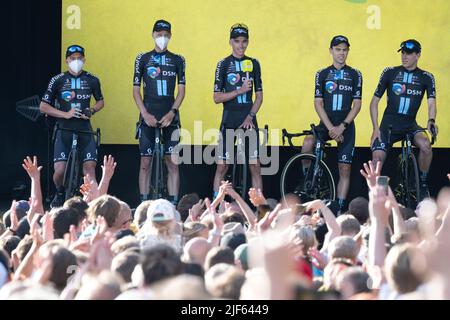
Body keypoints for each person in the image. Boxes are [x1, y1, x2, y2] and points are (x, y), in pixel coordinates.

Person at [370, 39, 437, 198]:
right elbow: (374, 103)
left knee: (426, 146)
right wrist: (375, 128)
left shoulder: (426, 77)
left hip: (410, 125)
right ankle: (380, 194)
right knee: (377, 161)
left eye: (409, 53)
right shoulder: (390, 72)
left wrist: (431, 120)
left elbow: (431, 104)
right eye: (403, 53)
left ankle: (421, 182)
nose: (404, 56)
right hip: (388, 126)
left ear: (418, 55)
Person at [302, 35, 362, 212]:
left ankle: (339, 207)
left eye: (344, 50)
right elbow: (317, 103)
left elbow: (357, 105)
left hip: (346, 125)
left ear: (348, 51)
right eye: (338, 49)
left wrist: (342, 127)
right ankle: (307, 181)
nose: (341, 53)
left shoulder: (355, 74)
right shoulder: (321, 74)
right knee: (307, 144)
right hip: (326, 124)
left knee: (344, 169)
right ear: (331, 51)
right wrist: (331, 129)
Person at [40, 45, 104, 208]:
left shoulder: (92, 79)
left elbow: (100, 101)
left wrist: (91, 110)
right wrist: (65, 114)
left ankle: (93, 204)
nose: (76, 61)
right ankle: (60, 192)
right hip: (64, 129)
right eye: (72, 58)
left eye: (79, 58)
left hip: (85, 130)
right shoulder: (58, 80)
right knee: (60, 171)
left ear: (84, 59)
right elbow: (43, 107)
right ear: (67, 60)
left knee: (89, 170)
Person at [133, 19, 186, 205]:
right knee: (145, 163)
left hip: (170, 114)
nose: (162, 37)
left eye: (165, 34)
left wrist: (172, 112)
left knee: (172, 162)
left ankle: (173, 204)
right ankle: (144, 204)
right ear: (153, 35)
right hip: (148, 112)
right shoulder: (143, 58)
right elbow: (135, 91)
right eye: (159, 34)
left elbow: (181, 91)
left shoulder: (178, 59)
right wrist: (145, 114)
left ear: (170, 36)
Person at [212, 23, 263, 197]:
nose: (241, 45)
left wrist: (250, 116)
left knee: (255, 166)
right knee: (222, 166)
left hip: (249, 119)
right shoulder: (223, 64)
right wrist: (239, 91)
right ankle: (215, 206)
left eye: (244, 41)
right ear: (230, 42)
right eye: (237, 41)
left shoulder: (254, 64)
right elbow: (216, 97)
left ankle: (261, 210)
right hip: (229, 118)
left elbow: (260, 96)